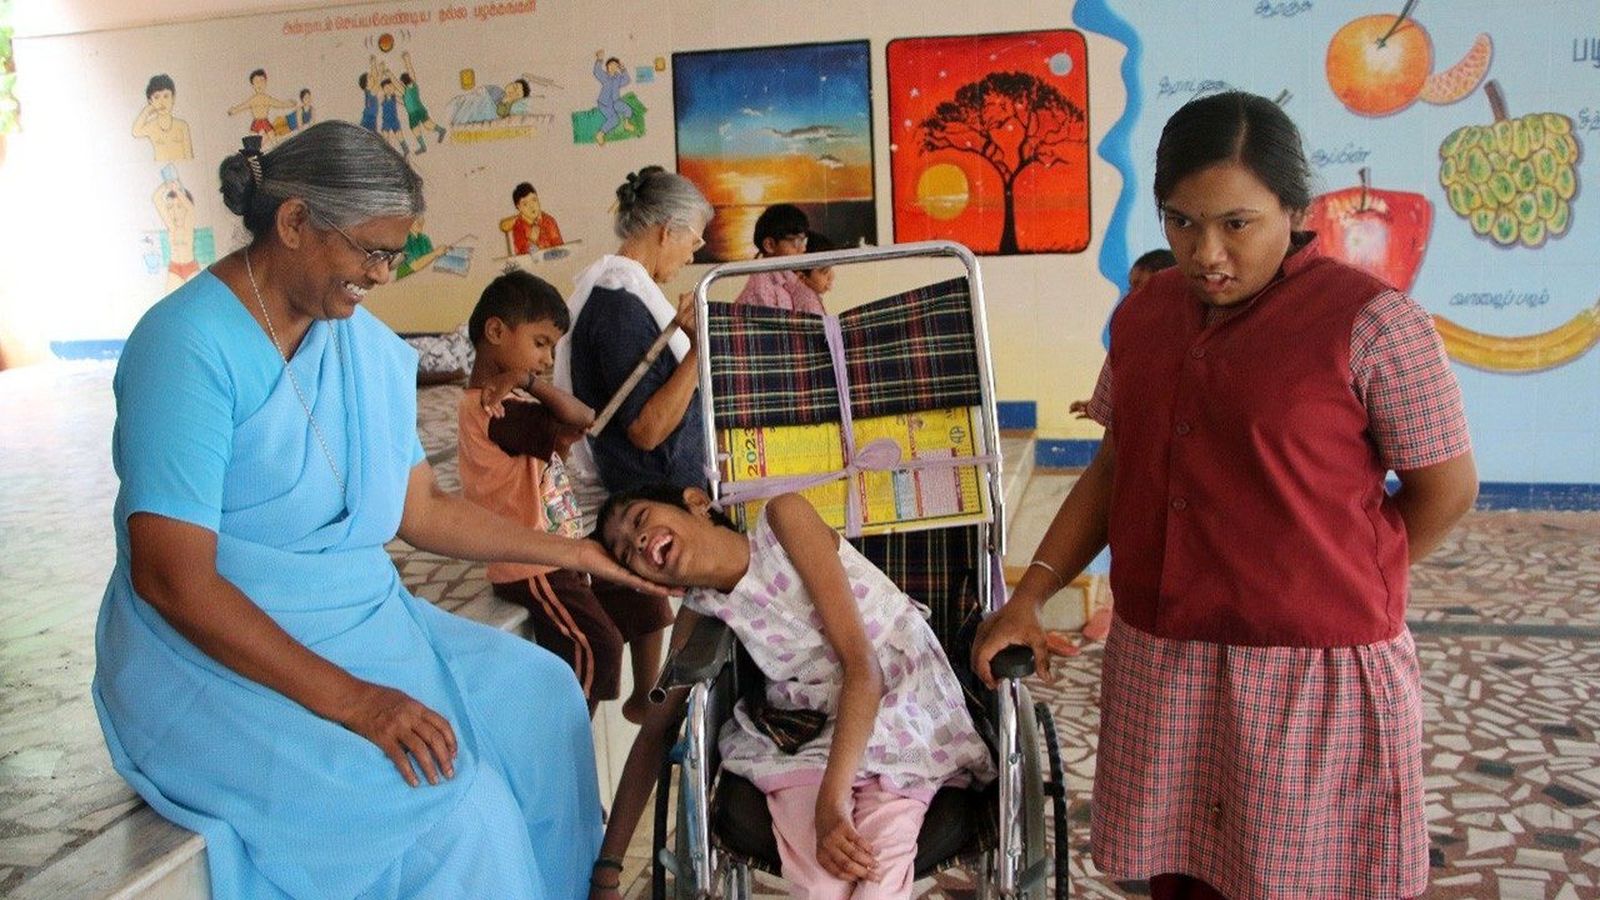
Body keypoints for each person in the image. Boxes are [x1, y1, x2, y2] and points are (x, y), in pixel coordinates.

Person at [92, 121, 666, 899]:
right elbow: (172, 580)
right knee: (457, 812)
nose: (384, 275)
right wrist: (357, 702)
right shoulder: (185, 345)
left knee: (542, 696)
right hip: (210, 659)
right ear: (295, 222)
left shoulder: (355, 342)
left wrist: (576, 552)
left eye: (395, 254)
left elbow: (419, 508)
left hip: (358, 619)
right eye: (372, 251)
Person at [971, 91, 1478, 900]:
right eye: (1181, 222)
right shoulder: (1145, 315)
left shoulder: (1376, 325)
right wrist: (1031, 593)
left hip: (1307, 673)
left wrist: (1338, 575)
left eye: (1237, 224)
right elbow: (1116, 467)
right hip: (1164, 658)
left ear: (1295, 212)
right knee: (1183, 878)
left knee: (1302, 883)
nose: (1207, 252)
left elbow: (1445, 489)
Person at [589, 485, 995, 899]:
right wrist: (607, 870)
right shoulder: (700, 609)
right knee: (821, 885)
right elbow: (654, 733)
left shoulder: (783, 521)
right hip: (807, 729)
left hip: (899, 705)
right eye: (626, 553)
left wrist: (831, 805)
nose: (637, 541)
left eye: (640, 519)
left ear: (695, 502)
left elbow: (863, 668)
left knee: (876, 882)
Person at [459, 271, 672, 723]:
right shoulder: (493, 409)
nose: (546, 359)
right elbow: (582, 418)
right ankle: (566, 736)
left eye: (553, 348)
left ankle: (645, 699)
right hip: (531, 564)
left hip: (560, 547)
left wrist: (525, 381)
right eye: (540, 343)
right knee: (596, 644)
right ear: (496, 331)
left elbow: (579, 420)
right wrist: (528, 383)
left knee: (635, 584)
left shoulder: (513, 407)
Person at [556, 164, 713, 505]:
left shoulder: (621, 295)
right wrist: (698, 349)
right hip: (657, 496)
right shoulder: (619, 308)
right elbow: (647, 431)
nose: (691, 256)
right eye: (694, 242)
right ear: (667, 230)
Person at [1070, 248, 1177, 418]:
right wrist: (1096, 407)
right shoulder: (1129, 333)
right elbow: (1116, 396)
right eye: (1131, 288)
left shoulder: (1194, 337)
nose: (1133, 297)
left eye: (1143, 288)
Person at [733, 203, 819, 312]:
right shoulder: (761, 285)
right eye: (797, 241)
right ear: (770, 245)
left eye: (804, 241)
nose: (803, 248)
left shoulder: (786, 276)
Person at [131, 73, 193, 162]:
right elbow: (135, 132)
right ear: (150, 101)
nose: (162, 102)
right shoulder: (152, 126)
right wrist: (147, 111)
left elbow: (189, 156)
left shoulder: (182, 125)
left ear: (173, 98)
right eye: (156, 97)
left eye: (166, 96)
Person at [227, 68, 294, 145]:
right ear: (252, 85)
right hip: (256, 122)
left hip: (265, 122)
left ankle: (275, 147)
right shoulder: (253, 99)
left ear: (266, 83)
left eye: (262, 81)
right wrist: (234, 110)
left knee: (273, 138)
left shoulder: (267, 98)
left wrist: (289, 104)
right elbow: (243, 106)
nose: (259, 84)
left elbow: (279, 104)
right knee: (253, 141)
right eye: (256, 82)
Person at [399, 51, 449, 150]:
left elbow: (411, 73)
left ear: (403, 82)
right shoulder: (408, 91)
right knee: (421, 126)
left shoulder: (409, 88)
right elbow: (403, 102)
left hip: (415, 111)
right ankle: (426, 142)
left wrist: (407, 61)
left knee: (422, 126)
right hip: (415, 111)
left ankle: (436, 134)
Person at [503, 182, 565, 256]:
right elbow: (522, 255)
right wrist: (532, 241)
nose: (532, 206)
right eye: (525, 204)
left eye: (534, 200)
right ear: (518, 208)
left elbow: (559, 245)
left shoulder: (549, 221)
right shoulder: (519, 226)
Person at [787, 229, 838, 314]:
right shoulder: (808, 302)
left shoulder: (807, 296)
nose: (832, 276)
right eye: (825, 272)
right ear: (801, 277)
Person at [592, 51, 635, 145]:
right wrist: (599, 59)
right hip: (605, 103)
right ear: (607, 66)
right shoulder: (604, 76)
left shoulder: (618, 78)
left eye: (615, 65)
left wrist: (623, 70)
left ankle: (626, 124)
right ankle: (600, 134)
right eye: (611, 65)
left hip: (616, 101)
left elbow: (627, 80)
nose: (613, 67)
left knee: (627, 108)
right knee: (615, 120)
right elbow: (596, 71)